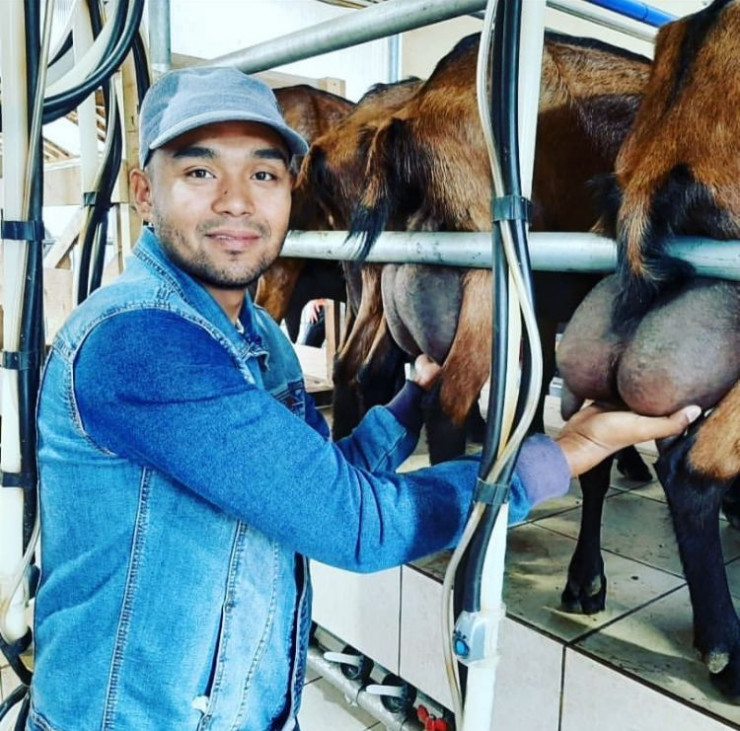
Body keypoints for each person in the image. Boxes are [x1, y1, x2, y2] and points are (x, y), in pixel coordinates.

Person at [28, 66, 701, 731]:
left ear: (291, 191)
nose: (236, 201)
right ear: (144, 193)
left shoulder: (257, 333)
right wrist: (572, 449)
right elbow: (357, 523)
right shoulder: (140, 341)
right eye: (200, 171)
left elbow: (310, 477)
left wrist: (409, 405)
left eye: (263, 174)